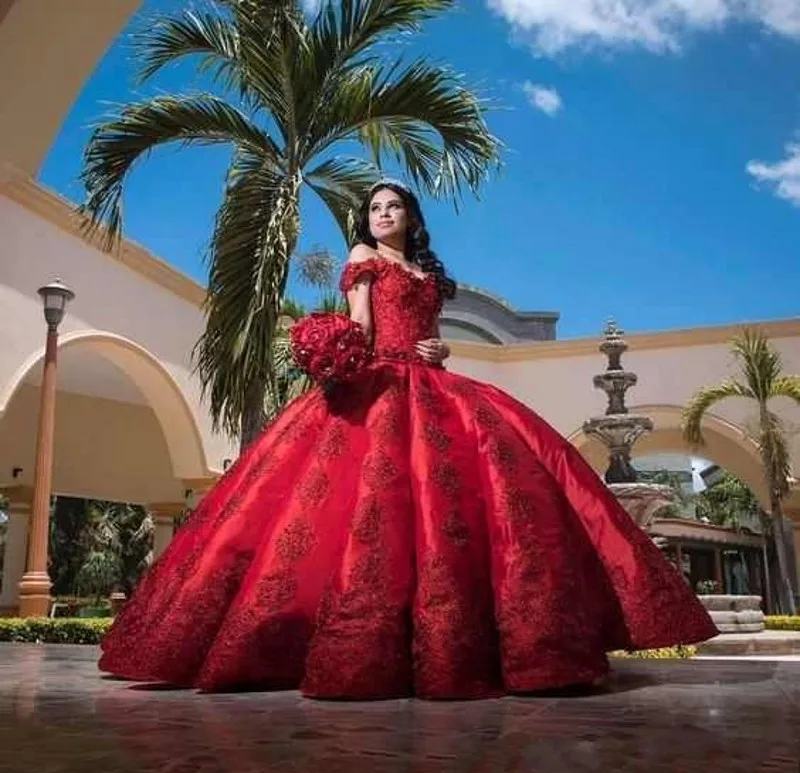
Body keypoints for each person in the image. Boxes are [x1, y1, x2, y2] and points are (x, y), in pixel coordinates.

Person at [99, 180, 716, 699]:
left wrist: (440, 347)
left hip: (433, 381)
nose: (382, 215)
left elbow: (428, 331)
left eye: (392, 207)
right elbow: (361, 327)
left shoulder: (424, 272)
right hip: (378, 385)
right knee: (355, 509)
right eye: (374, 208)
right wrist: (339, 356)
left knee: (502, 483)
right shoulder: (362, 261)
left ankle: (502, 642)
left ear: (412, 217)